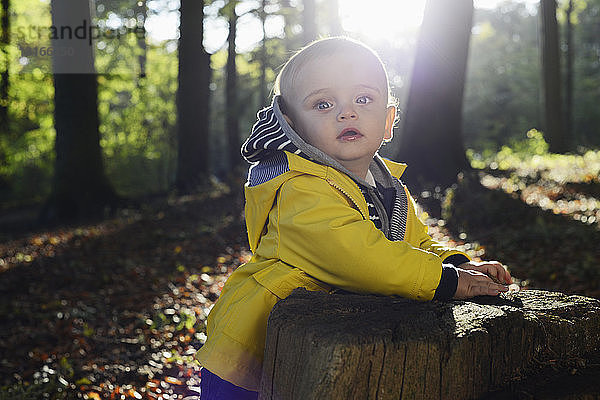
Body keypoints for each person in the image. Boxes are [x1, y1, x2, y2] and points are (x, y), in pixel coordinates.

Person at [195, 37, 512, 400]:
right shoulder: (301, 190)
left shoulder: (387, 185)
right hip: (256, 351)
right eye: (323, 103)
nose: (346, 113)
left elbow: (416, 243)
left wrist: (459, 265)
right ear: (292, 127)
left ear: (389, 120)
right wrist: (445, 282)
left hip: (332, 346)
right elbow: (359, 255)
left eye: (363, 99)